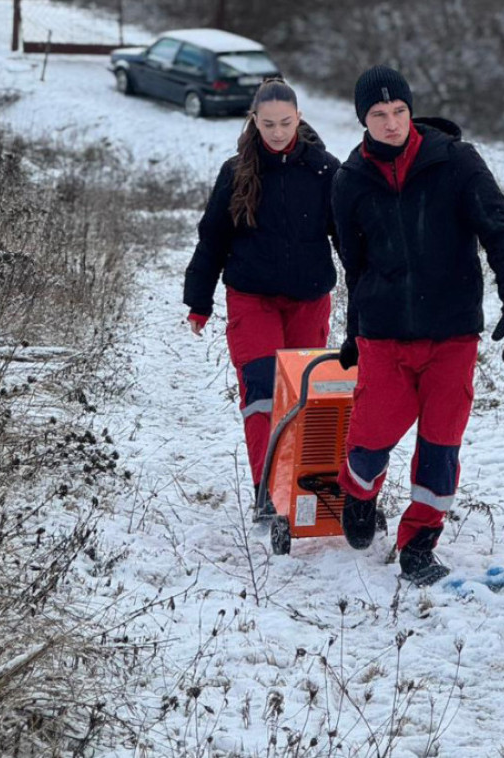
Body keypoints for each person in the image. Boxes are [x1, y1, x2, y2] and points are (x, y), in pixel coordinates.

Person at [332, 65, 504, 585]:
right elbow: (355, 266)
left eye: (399, 111)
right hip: (384, 334)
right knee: (371, 438)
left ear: (410, 110)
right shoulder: (350, 180)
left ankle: (418, 543)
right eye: (379, 115)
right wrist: (355, 331)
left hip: (451, 333)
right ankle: (358, 495)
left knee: (441, 442)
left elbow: (501, 233)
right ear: (363, 120)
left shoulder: (457, 163)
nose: (392, 123)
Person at [184, 79, 340, 517]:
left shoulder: (325, 170)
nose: (276, 132)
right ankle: (266, 492)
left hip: (309, 301)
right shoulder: (236, 172)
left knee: (304, 398)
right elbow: (212, 239)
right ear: (254, 120)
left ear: (300, 117)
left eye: (285, 123)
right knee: (262, 393)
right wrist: (199, 300)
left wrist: (372, 293)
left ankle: (302, 485)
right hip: (252, 299)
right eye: (268, 123)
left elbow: (349, 239)